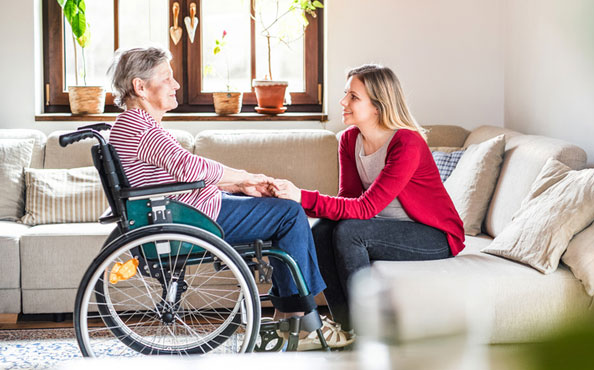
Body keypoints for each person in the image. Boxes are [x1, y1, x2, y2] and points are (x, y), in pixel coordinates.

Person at [106, 46, 352, 349]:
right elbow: (190, 168)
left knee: (282, 211)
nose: (176, 85)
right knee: (289, 213)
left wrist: (236, 186)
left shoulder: (136, 126)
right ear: (140, 87)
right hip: (189, 218)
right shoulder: (139, 127)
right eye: (167, 78)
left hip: (186, 210)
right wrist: (245, 177)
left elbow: (181, 178)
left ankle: (289, 320)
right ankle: (301, 323)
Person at [271, 64, 465, 332]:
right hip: (386, 227)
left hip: (434, 235)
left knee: (351, 233)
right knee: (322, 231)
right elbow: (348, 199)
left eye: (353, 97)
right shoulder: (349, 140)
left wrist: (301, 197)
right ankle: (346, 326)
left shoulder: (407, 143)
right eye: (346, 94)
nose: (343, 102)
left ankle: (366, 329)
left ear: (378, 106)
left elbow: (365, 208)